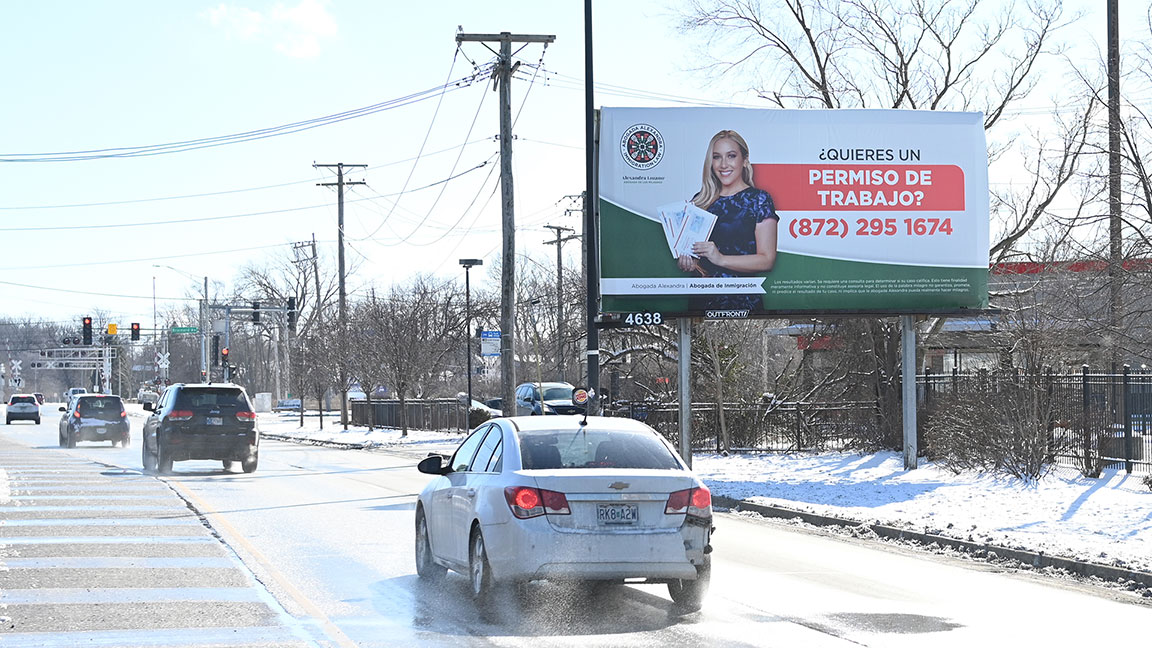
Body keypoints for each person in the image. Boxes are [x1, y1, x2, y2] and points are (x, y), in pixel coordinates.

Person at [677, 129, 779, 311]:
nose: (723, 164)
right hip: (701, 301)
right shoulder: (699, 200)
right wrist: (690, 263)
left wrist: (721, 259)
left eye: (731, 156)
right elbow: (694, 256)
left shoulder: (759, 200)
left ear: (744, 160)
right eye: (717, 157)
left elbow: (767, 260)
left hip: (743, 302)